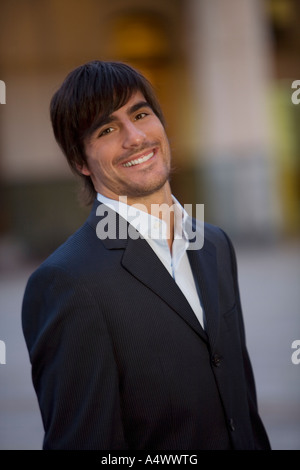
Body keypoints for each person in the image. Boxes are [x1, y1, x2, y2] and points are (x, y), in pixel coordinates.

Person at [22, 60, 271, 451]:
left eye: (140, 114)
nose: (135, 137)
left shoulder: (216, 245)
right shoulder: (66, 282)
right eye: (107, 129)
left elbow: (243, 410)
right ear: (79, 162)